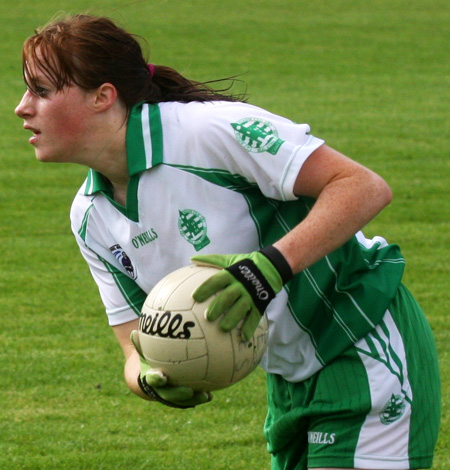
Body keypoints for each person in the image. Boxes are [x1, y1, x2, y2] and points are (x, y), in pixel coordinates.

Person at [15, 14, 440, 470]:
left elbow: (361, 185)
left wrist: (269, 268)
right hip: (289, 380)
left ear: (103, 96)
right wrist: (152, 379)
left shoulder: (206, 132)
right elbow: (133, 346)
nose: (22, 107)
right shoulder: (90, 217)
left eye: (41, 90)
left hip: (364, 338)